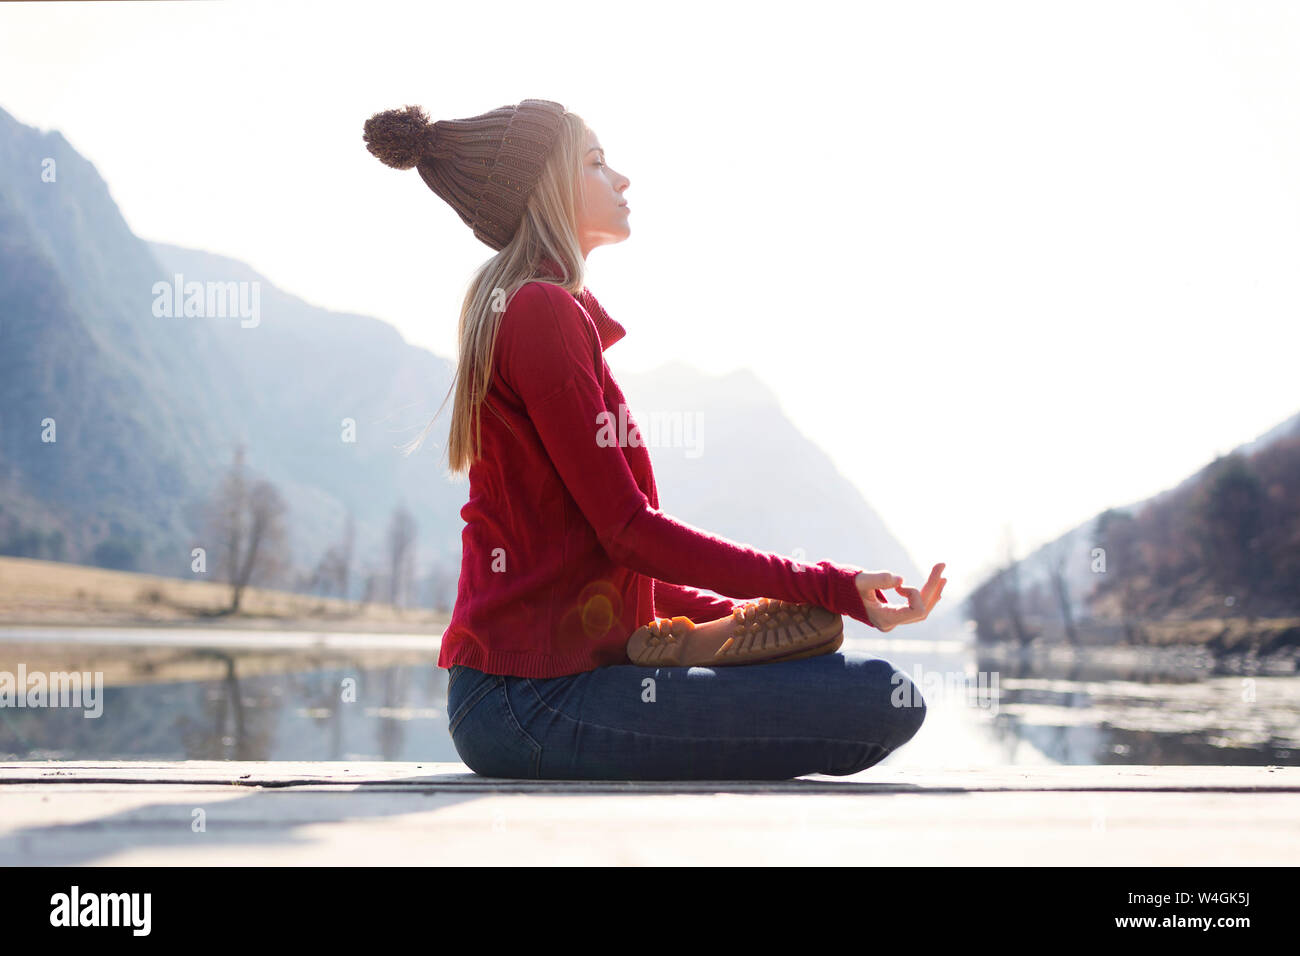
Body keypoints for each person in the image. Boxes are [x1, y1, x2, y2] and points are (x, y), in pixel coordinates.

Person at [363, 98, 946, 780]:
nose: (622, 180)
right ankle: (692, 647)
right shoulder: (540, 312)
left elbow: (608, 559)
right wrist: (827, 586)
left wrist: (750, 612)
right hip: (528, 702)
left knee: (848, 676)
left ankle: (692, 641)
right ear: (544, 186)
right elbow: (629, 533)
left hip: (530, 696)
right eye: (596, 162)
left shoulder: (546, 312)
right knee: (881, 696)